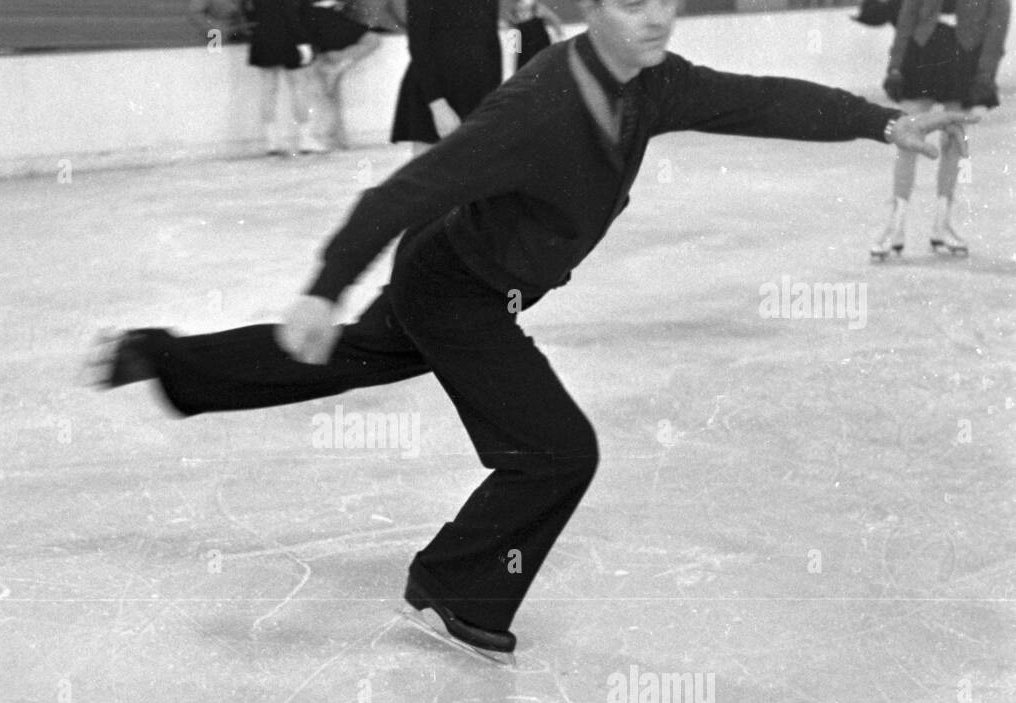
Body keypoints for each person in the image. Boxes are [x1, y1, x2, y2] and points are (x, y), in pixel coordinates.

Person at [95, 0, 974, 655]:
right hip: (456, 288)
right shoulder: (540, 107)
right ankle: (453, 589)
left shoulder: (651, 83)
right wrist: (322, 287)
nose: (657, 18)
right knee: (557, 450)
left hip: (464, 275)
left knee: (350, 360)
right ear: (590, 9)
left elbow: (756, 101)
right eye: (634, 4)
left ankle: (165, 362)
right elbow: (403, 192)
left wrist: (879, 121)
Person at [871, 0, 1009, 259]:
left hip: (965, 58)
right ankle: (896, 225)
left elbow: (997, 27)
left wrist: (985, 75)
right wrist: (896, 64)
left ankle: (941, 224)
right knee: (908, 136)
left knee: (953, 140)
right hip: (922, 52)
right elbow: (908, 15)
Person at [391, 0, 503, 155]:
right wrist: (437, 105)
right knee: (427, 173)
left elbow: (491, 42)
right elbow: (418, 44)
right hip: (434, 91)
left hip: (478, 91)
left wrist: (493, 98)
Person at [243, 0, 329, 155]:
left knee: (268, 90)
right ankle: (305, 139)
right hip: (288, 38)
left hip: (262, 37)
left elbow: (249, 12)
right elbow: (289, 15)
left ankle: (271, 142)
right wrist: (303, 40)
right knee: (299, 87)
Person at [306, 0, 384, 148]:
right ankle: (335, 137)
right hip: (322, 18)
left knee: (331, 87)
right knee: (372, 40)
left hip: (325, 19)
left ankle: (336, 137)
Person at [504, 0, 566, 72]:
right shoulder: (512, 14)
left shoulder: (536, 8)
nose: (520, 5)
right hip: (525, 50)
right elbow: (512, 33)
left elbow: (554, 20)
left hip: (541, 46)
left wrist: (559, 36)